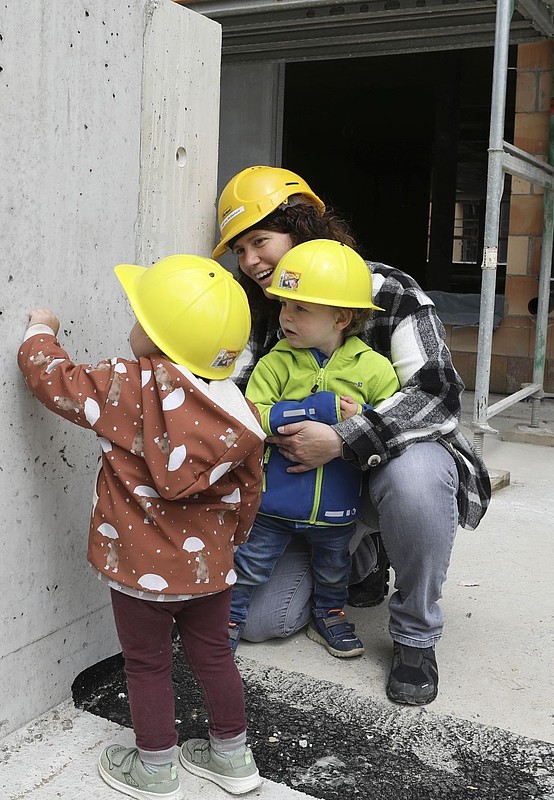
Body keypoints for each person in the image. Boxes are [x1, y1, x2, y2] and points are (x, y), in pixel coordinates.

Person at [213, 165, 491, 706]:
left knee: (416, 479)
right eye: (239, 251)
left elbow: (437, 392)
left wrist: (342, 438)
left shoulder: (387, 289)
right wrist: (282, 428)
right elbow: (237, 400)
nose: (249, 262)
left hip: (378, 469)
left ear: (302, 229)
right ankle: (361, 558)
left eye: (259, 241)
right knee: (262, 622)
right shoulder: (259, 308)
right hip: (301, 491)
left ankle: (414, 634)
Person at [17, 254, 265, 799]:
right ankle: (232, 755)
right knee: (214, 655)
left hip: (138, 570)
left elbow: (54, 380)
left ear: (155, 333)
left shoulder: (125, 385)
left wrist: (41, 330)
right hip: (210, 570)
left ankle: (155, 766)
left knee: (147, 662)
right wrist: (230, 545)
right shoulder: (239, 410)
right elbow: (251, 493)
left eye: (138, 313)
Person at [228, 239, 400, 661]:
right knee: (250, 564)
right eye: (285, 305)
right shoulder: (276, 362)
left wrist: (361, 415)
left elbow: (391, 420)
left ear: (341, 317)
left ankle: (330, 614)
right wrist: (317, 408)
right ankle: (227, 618)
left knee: (333, 567)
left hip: (338, 508)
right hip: (273, 507)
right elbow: (253, 414)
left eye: (301, 309)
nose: (285, 316)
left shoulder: (374, 368)